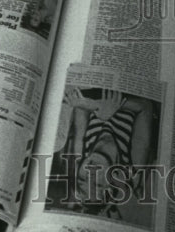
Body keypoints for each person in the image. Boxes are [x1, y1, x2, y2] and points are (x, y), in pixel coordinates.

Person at [61, 87, 155, 217]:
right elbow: (145, 107)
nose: (90, 172)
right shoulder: (132, 165)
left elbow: (80, 105)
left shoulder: (81, 154)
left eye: (82, 178)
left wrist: (96, 106)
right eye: (97, 183)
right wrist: (100, 106)